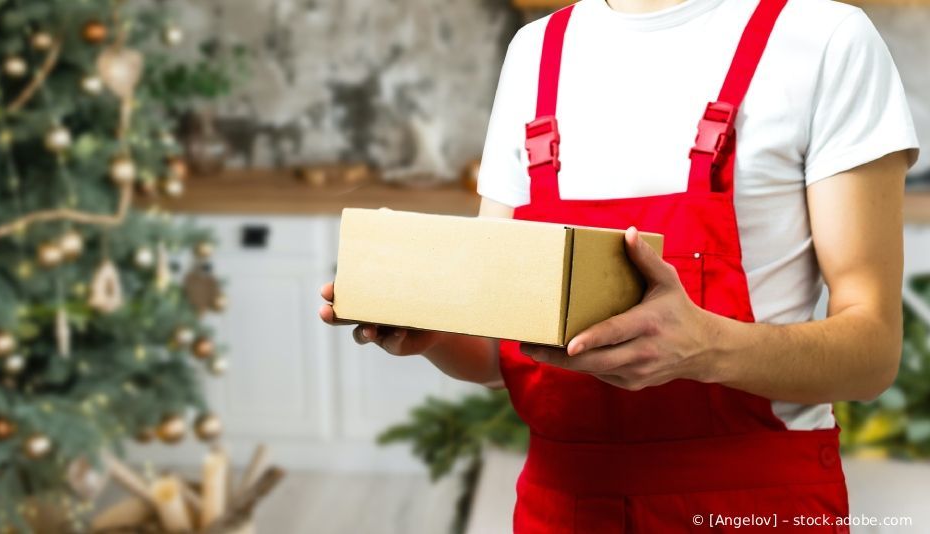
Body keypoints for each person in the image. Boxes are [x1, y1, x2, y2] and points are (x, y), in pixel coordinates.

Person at [320, 0, 920, 531]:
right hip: (562, 507)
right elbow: (502, 355)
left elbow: (871, 356)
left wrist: (704, 347)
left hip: (752, 503)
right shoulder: (536, 52)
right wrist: (428, 328)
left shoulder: (824, 39)